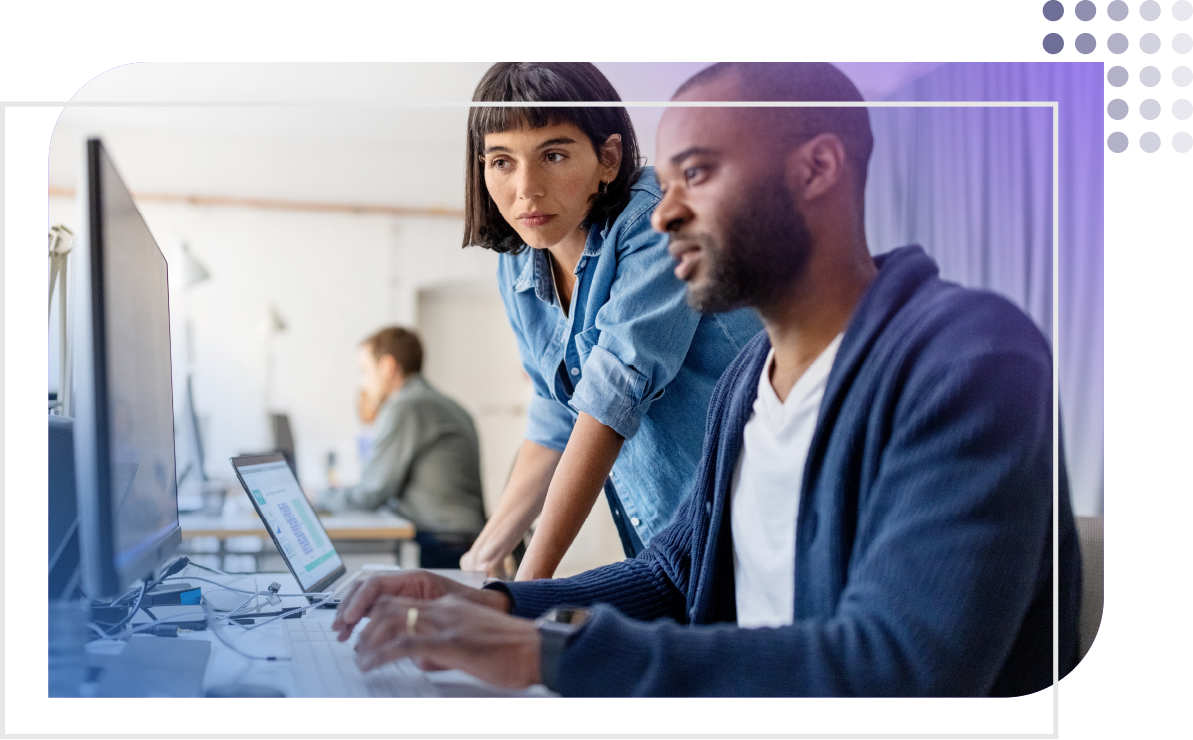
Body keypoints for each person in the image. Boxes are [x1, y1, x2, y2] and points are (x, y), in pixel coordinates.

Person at [331, 62, 1081, 696]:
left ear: (816, 168)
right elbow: (668, 574)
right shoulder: (747, 382)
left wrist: (550, 652)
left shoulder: (968, 358)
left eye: (695, 172)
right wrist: (497, 602)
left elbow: (900, 667)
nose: (662, 216)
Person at [457, 62, 762, 580]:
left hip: (751, 522)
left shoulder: (656, 220)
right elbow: (556, 417)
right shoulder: (517, 262)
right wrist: (483, 558)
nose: (525, 189)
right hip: (668, 541)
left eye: (553, 154)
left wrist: (526, 589)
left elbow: (611, 394)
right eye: (502, 161)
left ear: (608, 157)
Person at [320, 327, 486, 568]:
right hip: (463, 539)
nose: (363, 382)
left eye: (364, 371)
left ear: (388, 366)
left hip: (440, 544)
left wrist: (321, 496)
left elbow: (371, 493)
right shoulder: (447, 404)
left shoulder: (406, 407)